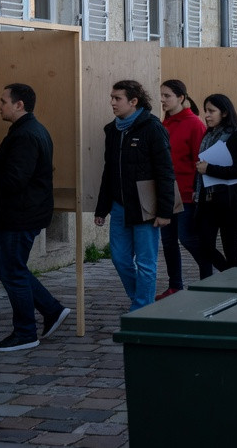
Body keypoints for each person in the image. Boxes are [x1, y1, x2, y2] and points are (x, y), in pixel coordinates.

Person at [0, 83, 70, 352]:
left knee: (11, 270)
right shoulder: (27, 130)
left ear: (19, 105)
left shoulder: (26, 134)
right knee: (12, 268)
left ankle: (26, 332)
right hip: (24, 213)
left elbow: (15, 179)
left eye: (3, 101)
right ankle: (51, 310)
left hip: (21, 215)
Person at [94, 80, 176, 311]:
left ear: (133, 101)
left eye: (117, 98)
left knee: (146, 263)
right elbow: (108, 171)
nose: (112, 102)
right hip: (119, 206)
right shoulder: (112, 130)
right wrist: (102, 209)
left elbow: (165, 172)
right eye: (112, 97)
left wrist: (164, 211)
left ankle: (142, 308)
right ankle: (139, 299)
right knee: (120, 259)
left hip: (146, 207)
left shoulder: (152, 127)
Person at [157, 80, 209, 299]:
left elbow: (202, 160)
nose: (162, 100)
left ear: (181, 98)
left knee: (187, 237)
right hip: (166, 193)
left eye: (167, 96)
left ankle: (210, 277)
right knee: (168, 241)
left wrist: (198, 191)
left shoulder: (194, 124)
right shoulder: (164, 124)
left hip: (187, 192)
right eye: (161, 95)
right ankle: (175, 285)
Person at [194, 94, 237, 269]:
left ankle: (235, 285)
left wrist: (209, 169)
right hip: (209, 200)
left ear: (225, 113)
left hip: (230, 201)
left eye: (212, 111)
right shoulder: (208, 135)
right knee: (205, 245)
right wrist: (195, 187)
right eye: (206, 111)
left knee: (231, 248)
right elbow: (201, 165)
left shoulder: (236, 137)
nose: (207, 115)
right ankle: (229, 274)